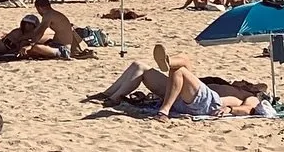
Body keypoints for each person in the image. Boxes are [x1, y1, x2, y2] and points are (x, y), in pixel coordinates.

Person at [90, 47, 264, 119]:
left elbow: (251, 109)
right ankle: (111, 96)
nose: (242, 81)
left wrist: (230, 109)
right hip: (185, 97)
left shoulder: (248, 95)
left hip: (208, 103)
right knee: (139, 66)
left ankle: (163, 111)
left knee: (180, 69)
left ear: (253, 88)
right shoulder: (227, 85)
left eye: (247, 82)